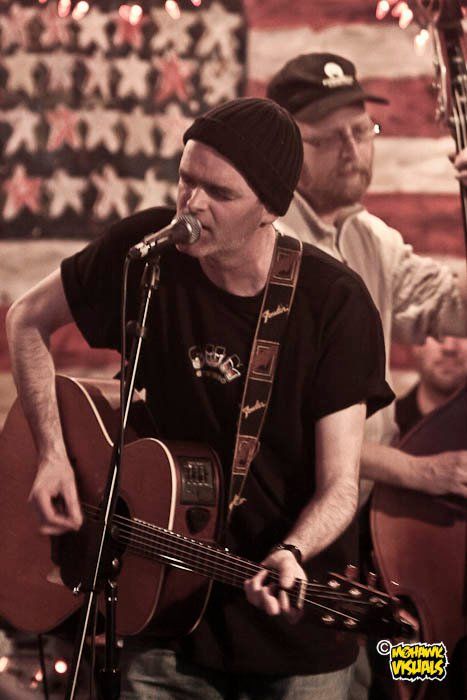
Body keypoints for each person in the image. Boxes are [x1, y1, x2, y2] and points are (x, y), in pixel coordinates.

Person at [6, 97, 394, 699]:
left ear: (270, 208)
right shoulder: (146, 255)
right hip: (159, 613)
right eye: (186, 179)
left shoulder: (333, 305)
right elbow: (27, 318)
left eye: (220, 193)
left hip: (292, 638)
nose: (192, 204)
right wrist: (53, 455)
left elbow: (340, 485)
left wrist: (294, 550)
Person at [267, 52, 467, 503]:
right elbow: (284, 419)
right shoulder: (267, 244)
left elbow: (456, 312)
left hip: (362, 510)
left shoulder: (374, 239)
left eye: (361, 131)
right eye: (328, 139)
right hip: (290, 512)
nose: (353, 152)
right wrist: (417, 470)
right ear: (284, 147)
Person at [396, 335, 467, 437]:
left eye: (463, 333)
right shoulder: (386, 429)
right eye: (435, 331)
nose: (449, 347)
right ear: (415, 344)